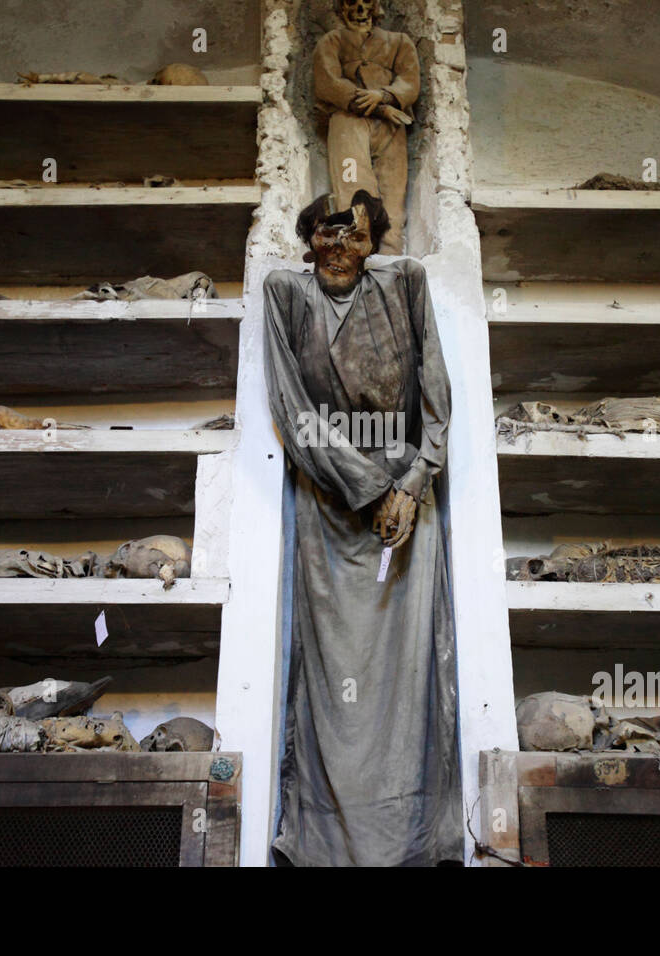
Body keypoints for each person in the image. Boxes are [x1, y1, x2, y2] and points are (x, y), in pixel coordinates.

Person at [263, 189, 461, 866]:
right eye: (325, 236)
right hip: (328, 500)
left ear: (373, 240)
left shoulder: (405, 282)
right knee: (329, 672)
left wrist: (409, 484)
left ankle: (414, 845)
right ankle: (322, 846)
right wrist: (369, 487)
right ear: (308, 239)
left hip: (408, 500)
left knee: (412, 671)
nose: (339, 249)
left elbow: (437, 399)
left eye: (353, 236)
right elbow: (294, 412)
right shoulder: (284, 294)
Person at [314, 0, 420, 254]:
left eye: (366, 2)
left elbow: (410, 80)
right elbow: (328, 83)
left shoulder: (400, 41)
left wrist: (384, 95)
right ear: (341, 8)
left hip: (391, 125)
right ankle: (357, 253)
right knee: (353, 185)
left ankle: (390, 257)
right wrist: (377, 105)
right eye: (352, 2)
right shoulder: (330, 42)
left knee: (393, 190)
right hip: (348, 122)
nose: (360, 10)